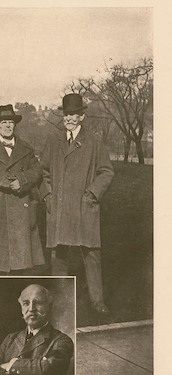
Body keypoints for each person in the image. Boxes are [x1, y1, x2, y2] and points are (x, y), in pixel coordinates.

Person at [40, 94, 114, 314]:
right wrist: (47, 195)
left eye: (74, 114)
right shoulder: (53, 141)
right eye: (66, 114)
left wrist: (92, 194)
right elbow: (42, 171)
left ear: (82, 116)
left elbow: (106, 171)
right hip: (60, 207)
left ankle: (97, 301)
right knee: (59, 255)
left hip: (84, 207)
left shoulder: (93, 141)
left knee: (91, 254)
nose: (69, 118)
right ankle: (60, 299)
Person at [0, 104, 45, 274]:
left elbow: (37, 170)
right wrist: (7, 181)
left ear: (15, 125)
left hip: (21, 207)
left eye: (10, 122)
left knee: (20, 262)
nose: (7, 125)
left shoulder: (26, 149)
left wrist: (22, 180)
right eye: (4, 122)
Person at [0, 284, 74, 375]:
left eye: (38, 303)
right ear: (21, 309)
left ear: (49, 307)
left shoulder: (61, 341)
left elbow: (47, 370)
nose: (31, 309)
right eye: (26, 303)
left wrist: (11, 364)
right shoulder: (11, 338)